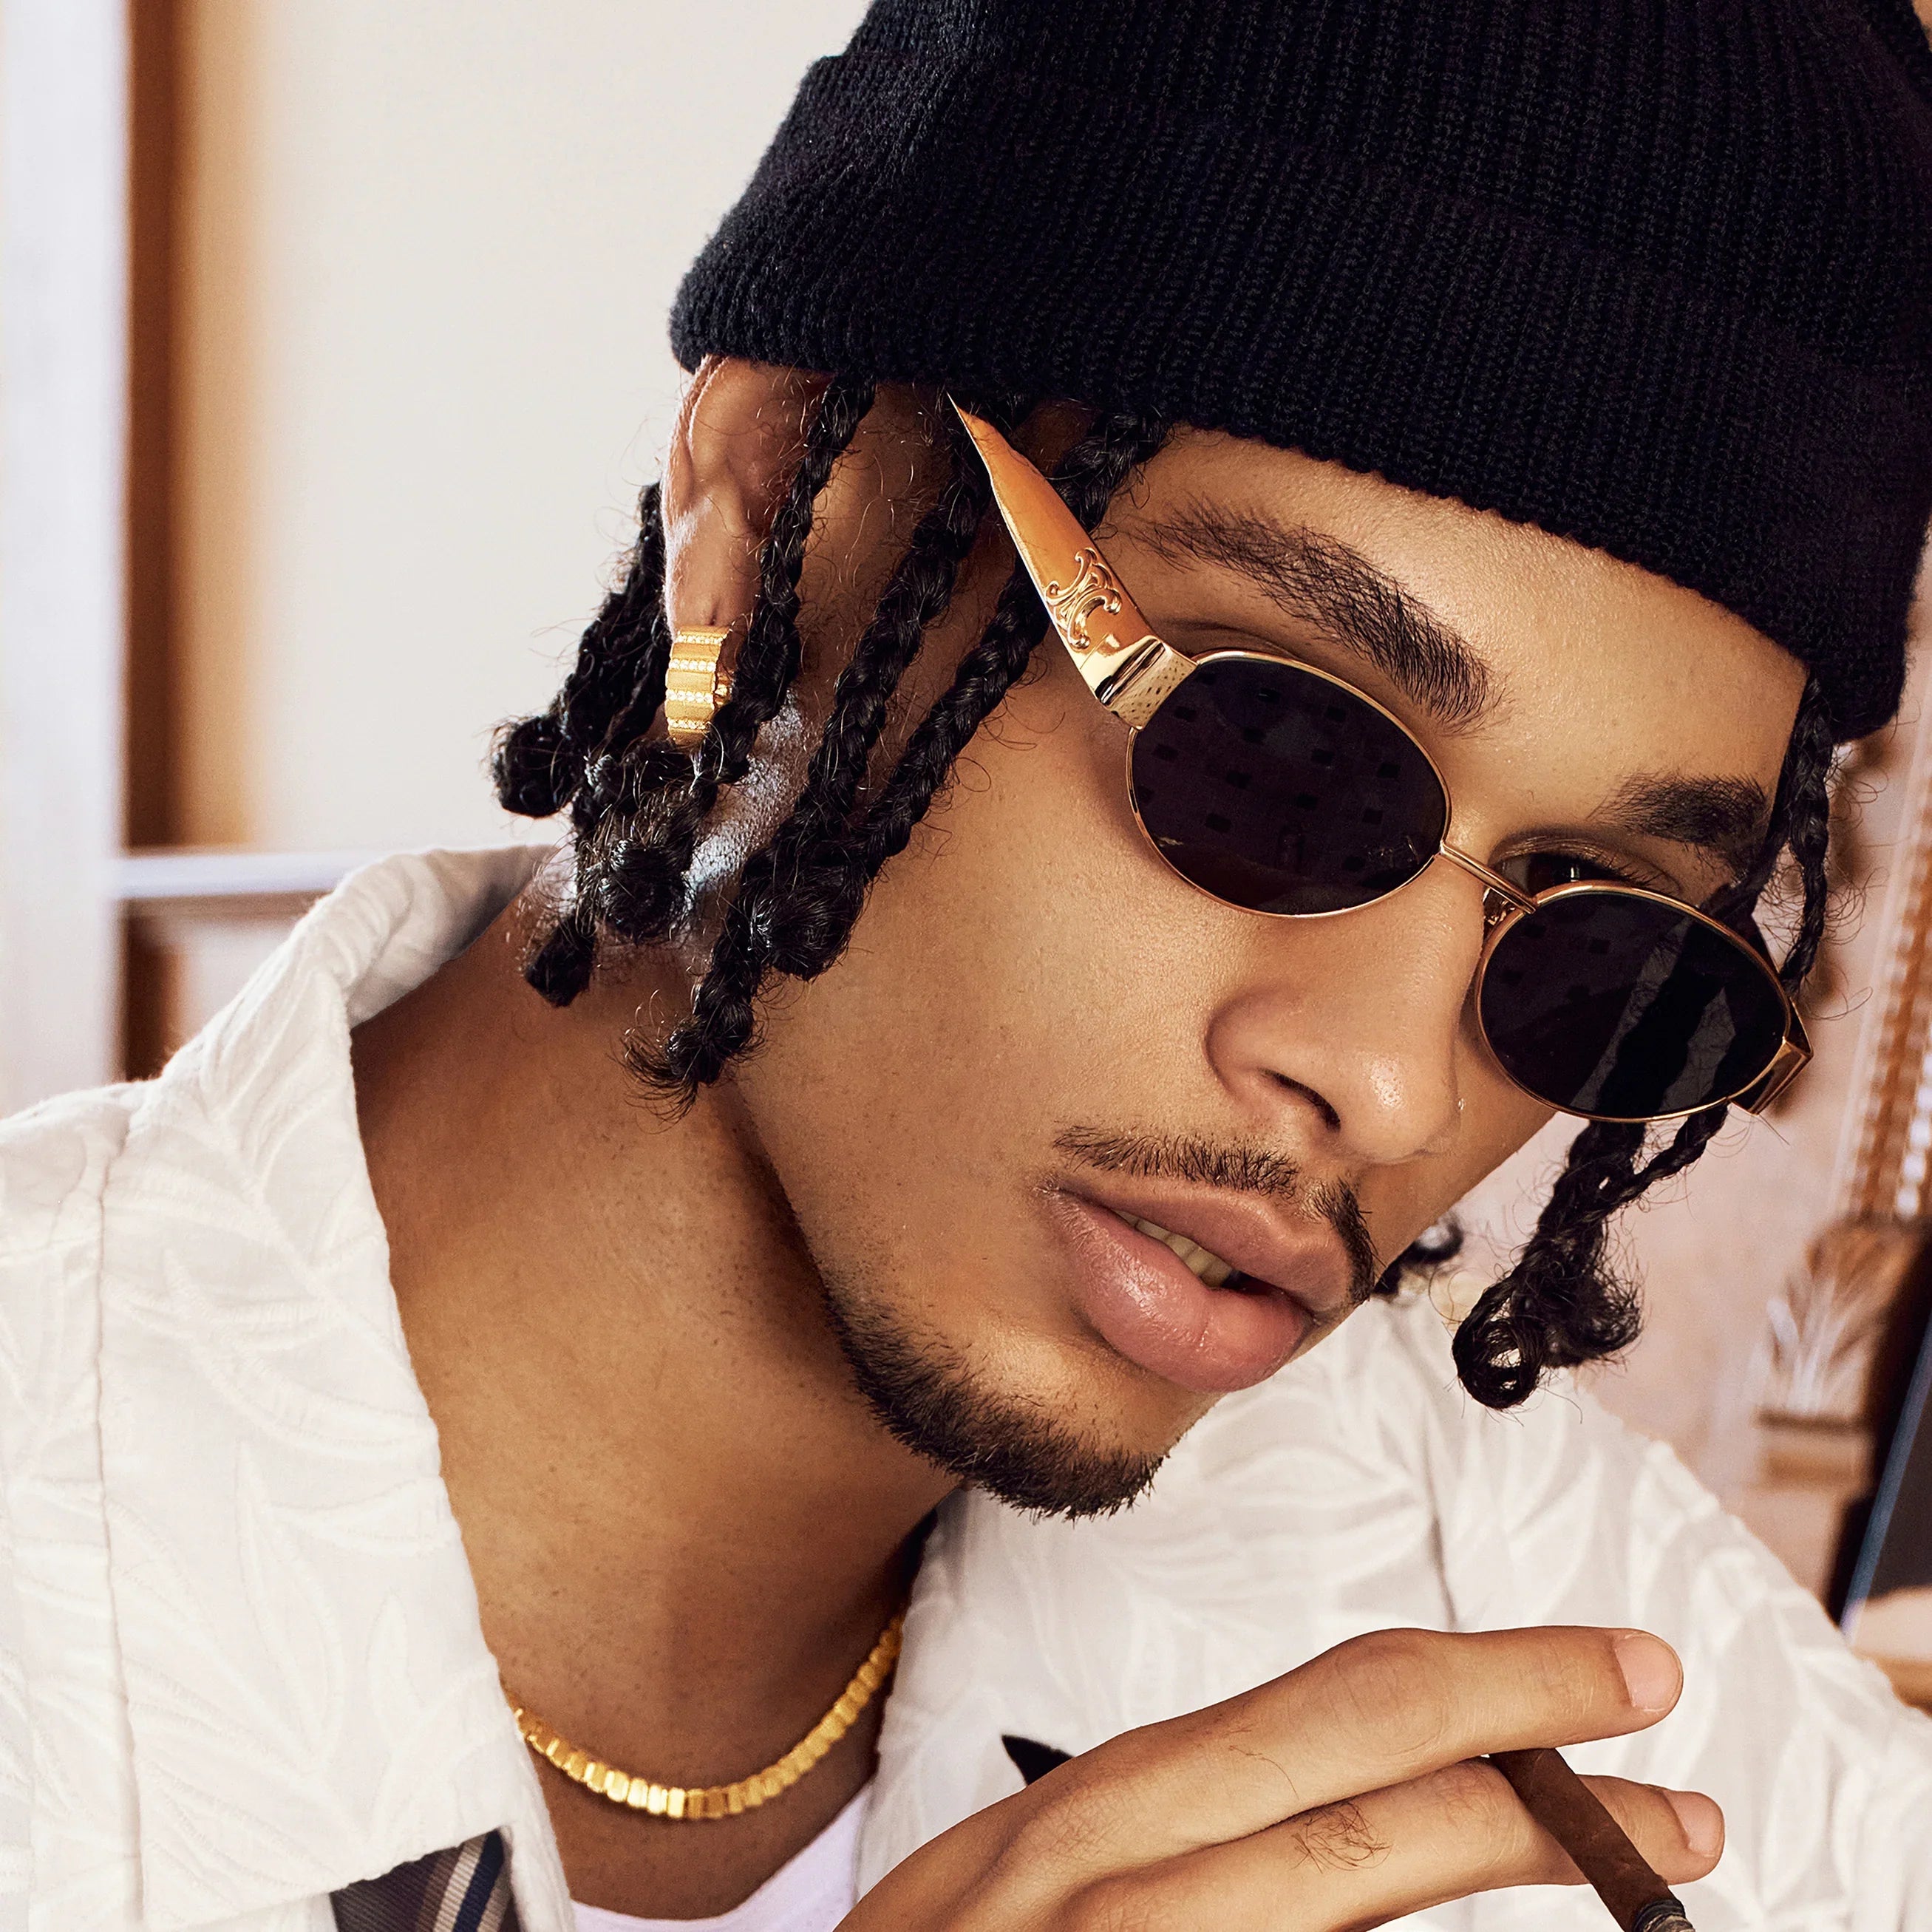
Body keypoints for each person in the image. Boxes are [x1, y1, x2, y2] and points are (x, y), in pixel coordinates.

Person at [6, 1, 1932, 1928]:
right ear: (770, 508)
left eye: (1605, 934)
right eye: (1279, 763)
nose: (1395, 1083)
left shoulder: (1481, 1569)